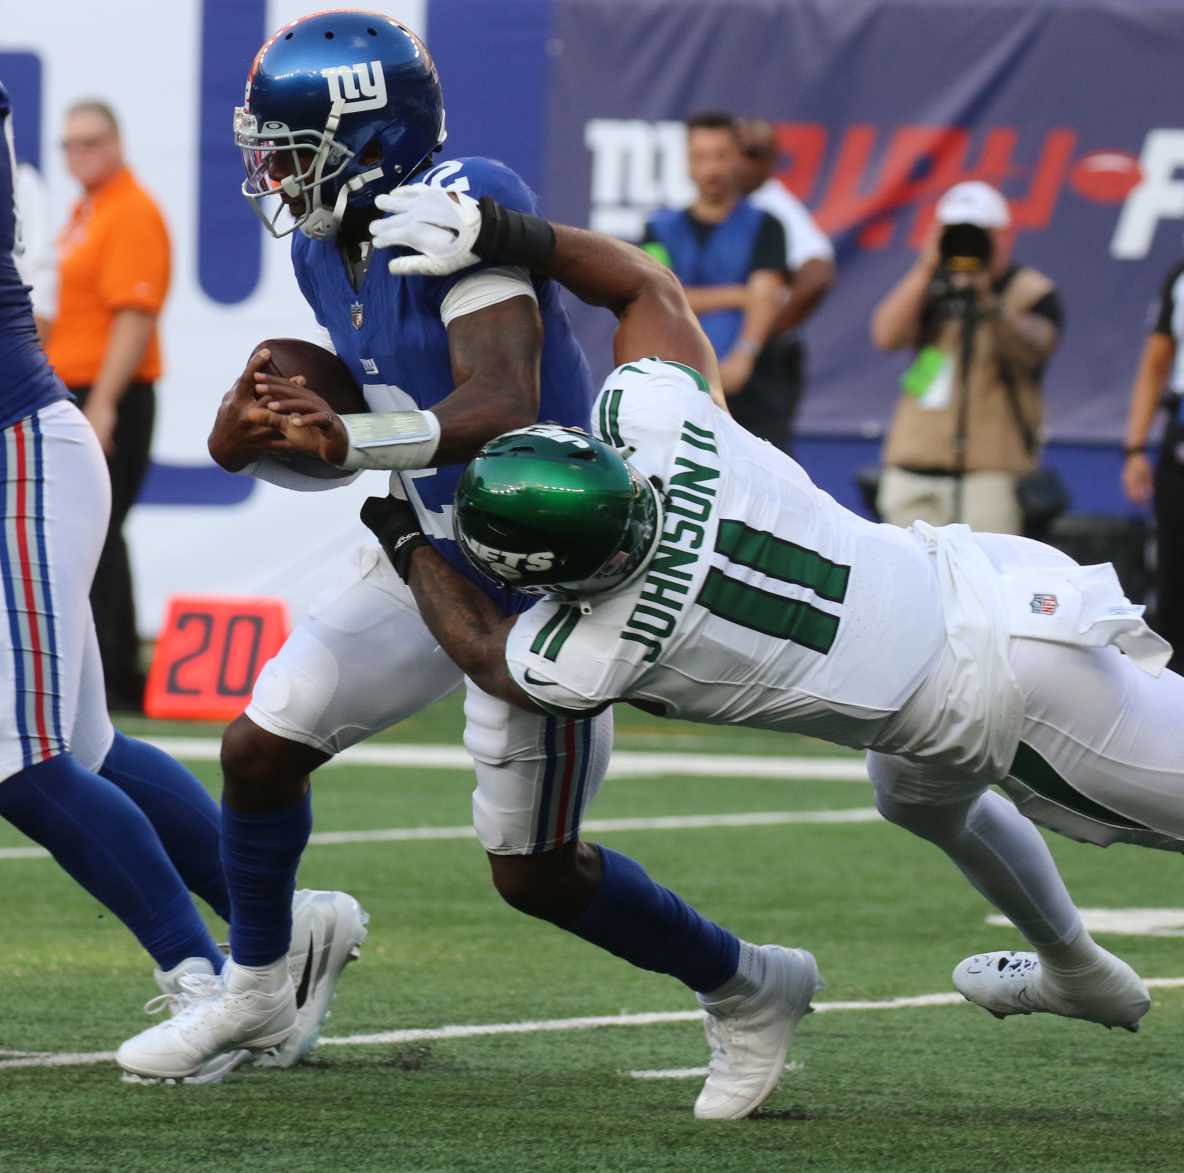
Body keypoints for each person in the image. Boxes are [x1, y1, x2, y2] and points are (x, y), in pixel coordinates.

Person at [362, 181, 1182, 1105]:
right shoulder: (659, 424)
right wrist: (507, 232)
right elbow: (643, 288)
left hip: (1009, 694)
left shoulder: (601, 647)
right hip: (978, 574)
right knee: (914, 793)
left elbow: (485, 653)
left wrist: (401, 536)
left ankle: (1073, 960)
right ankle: (1073, 963)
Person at [117, 14, 797, 1121]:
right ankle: (254, 985)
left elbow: (498, 403)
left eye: (292, 146)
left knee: (535, 874)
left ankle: (750, 981)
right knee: (257, 749)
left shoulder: (455, 199)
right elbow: (386, 396)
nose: (272, 171)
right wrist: (274, 424)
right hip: (431, 541)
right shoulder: (317, 237)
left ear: (370, 136)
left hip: (553, 559)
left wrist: (352, 446)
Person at [0, 62, 363, 1084]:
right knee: (83, 746)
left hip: (7, 446)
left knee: (12, 751)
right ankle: (278, 935)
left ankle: (211, 985)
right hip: (9, 449)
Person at [42, 99, 170, 711]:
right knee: (91, 534)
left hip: (109, 392)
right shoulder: (84, 214)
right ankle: (103, 672)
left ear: (116, 142)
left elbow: (135, 314)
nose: (79, 154)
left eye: (91, 142)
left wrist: (106, 403)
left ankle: (117, 677)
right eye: (69, 144)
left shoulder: (130, 212)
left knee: (100, 531)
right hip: (76, 390)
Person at [871, 182, 1063, 534]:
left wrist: (987, 299)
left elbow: (1038, 346)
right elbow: (886, 334)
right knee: (912, 580)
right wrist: (927, 265)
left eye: (976, 234)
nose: (965, 244)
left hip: (989, 472)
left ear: (1003, 237)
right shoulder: (929, 285)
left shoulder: (1030, 290)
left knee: (985, 580)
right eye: (953, 233)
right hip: (914, 464)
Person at [643, 112, 791, 447]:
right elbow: (660, 296)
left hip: (752, 388)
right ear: (687, 162)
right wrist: (741, 295)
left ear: (737, 158)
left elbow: (765, 297)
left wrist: (744, 355)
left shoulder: (767, 226)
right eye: (701, 157)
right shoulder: (658, 230)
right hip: (678, 385)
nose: (712, 169)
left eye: (721, 156)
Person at [736, 117, 836, 451]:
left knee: (763, 454)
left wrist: (765, 329)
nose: (743, 161)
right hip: (727, 351)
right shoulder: (731, 207)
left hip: (762, 363)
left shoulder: (772, 207)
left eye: (755, 153)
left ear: (771, 161)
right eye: (738, 149)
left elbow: (818, 273)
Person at [1122, 258, 1183, 673]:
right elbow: (1157, 360)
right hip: (1179, 447)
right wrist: (1136, 446)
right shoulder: (1180, 275)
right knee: (1175, 582)